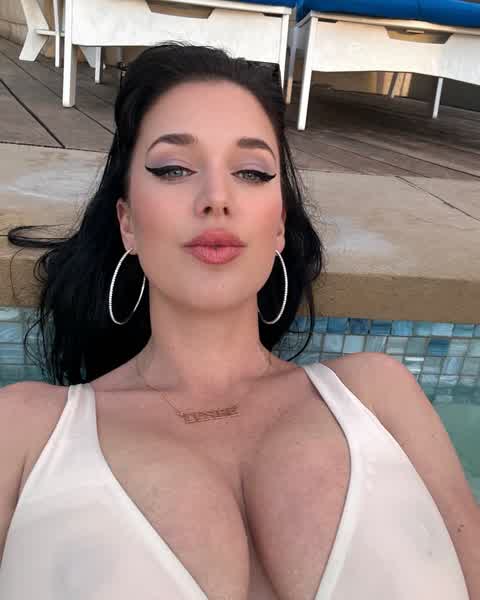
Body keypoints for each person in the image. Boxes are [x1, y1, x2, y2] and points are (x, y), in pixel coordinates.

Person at [0, 42, 478, 600]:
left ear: (278, 226)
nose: (216, 198)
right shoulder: (26, 430)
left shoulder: (378, 395)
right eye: (173, 168)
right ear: (127, 222)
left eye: (251, 172)